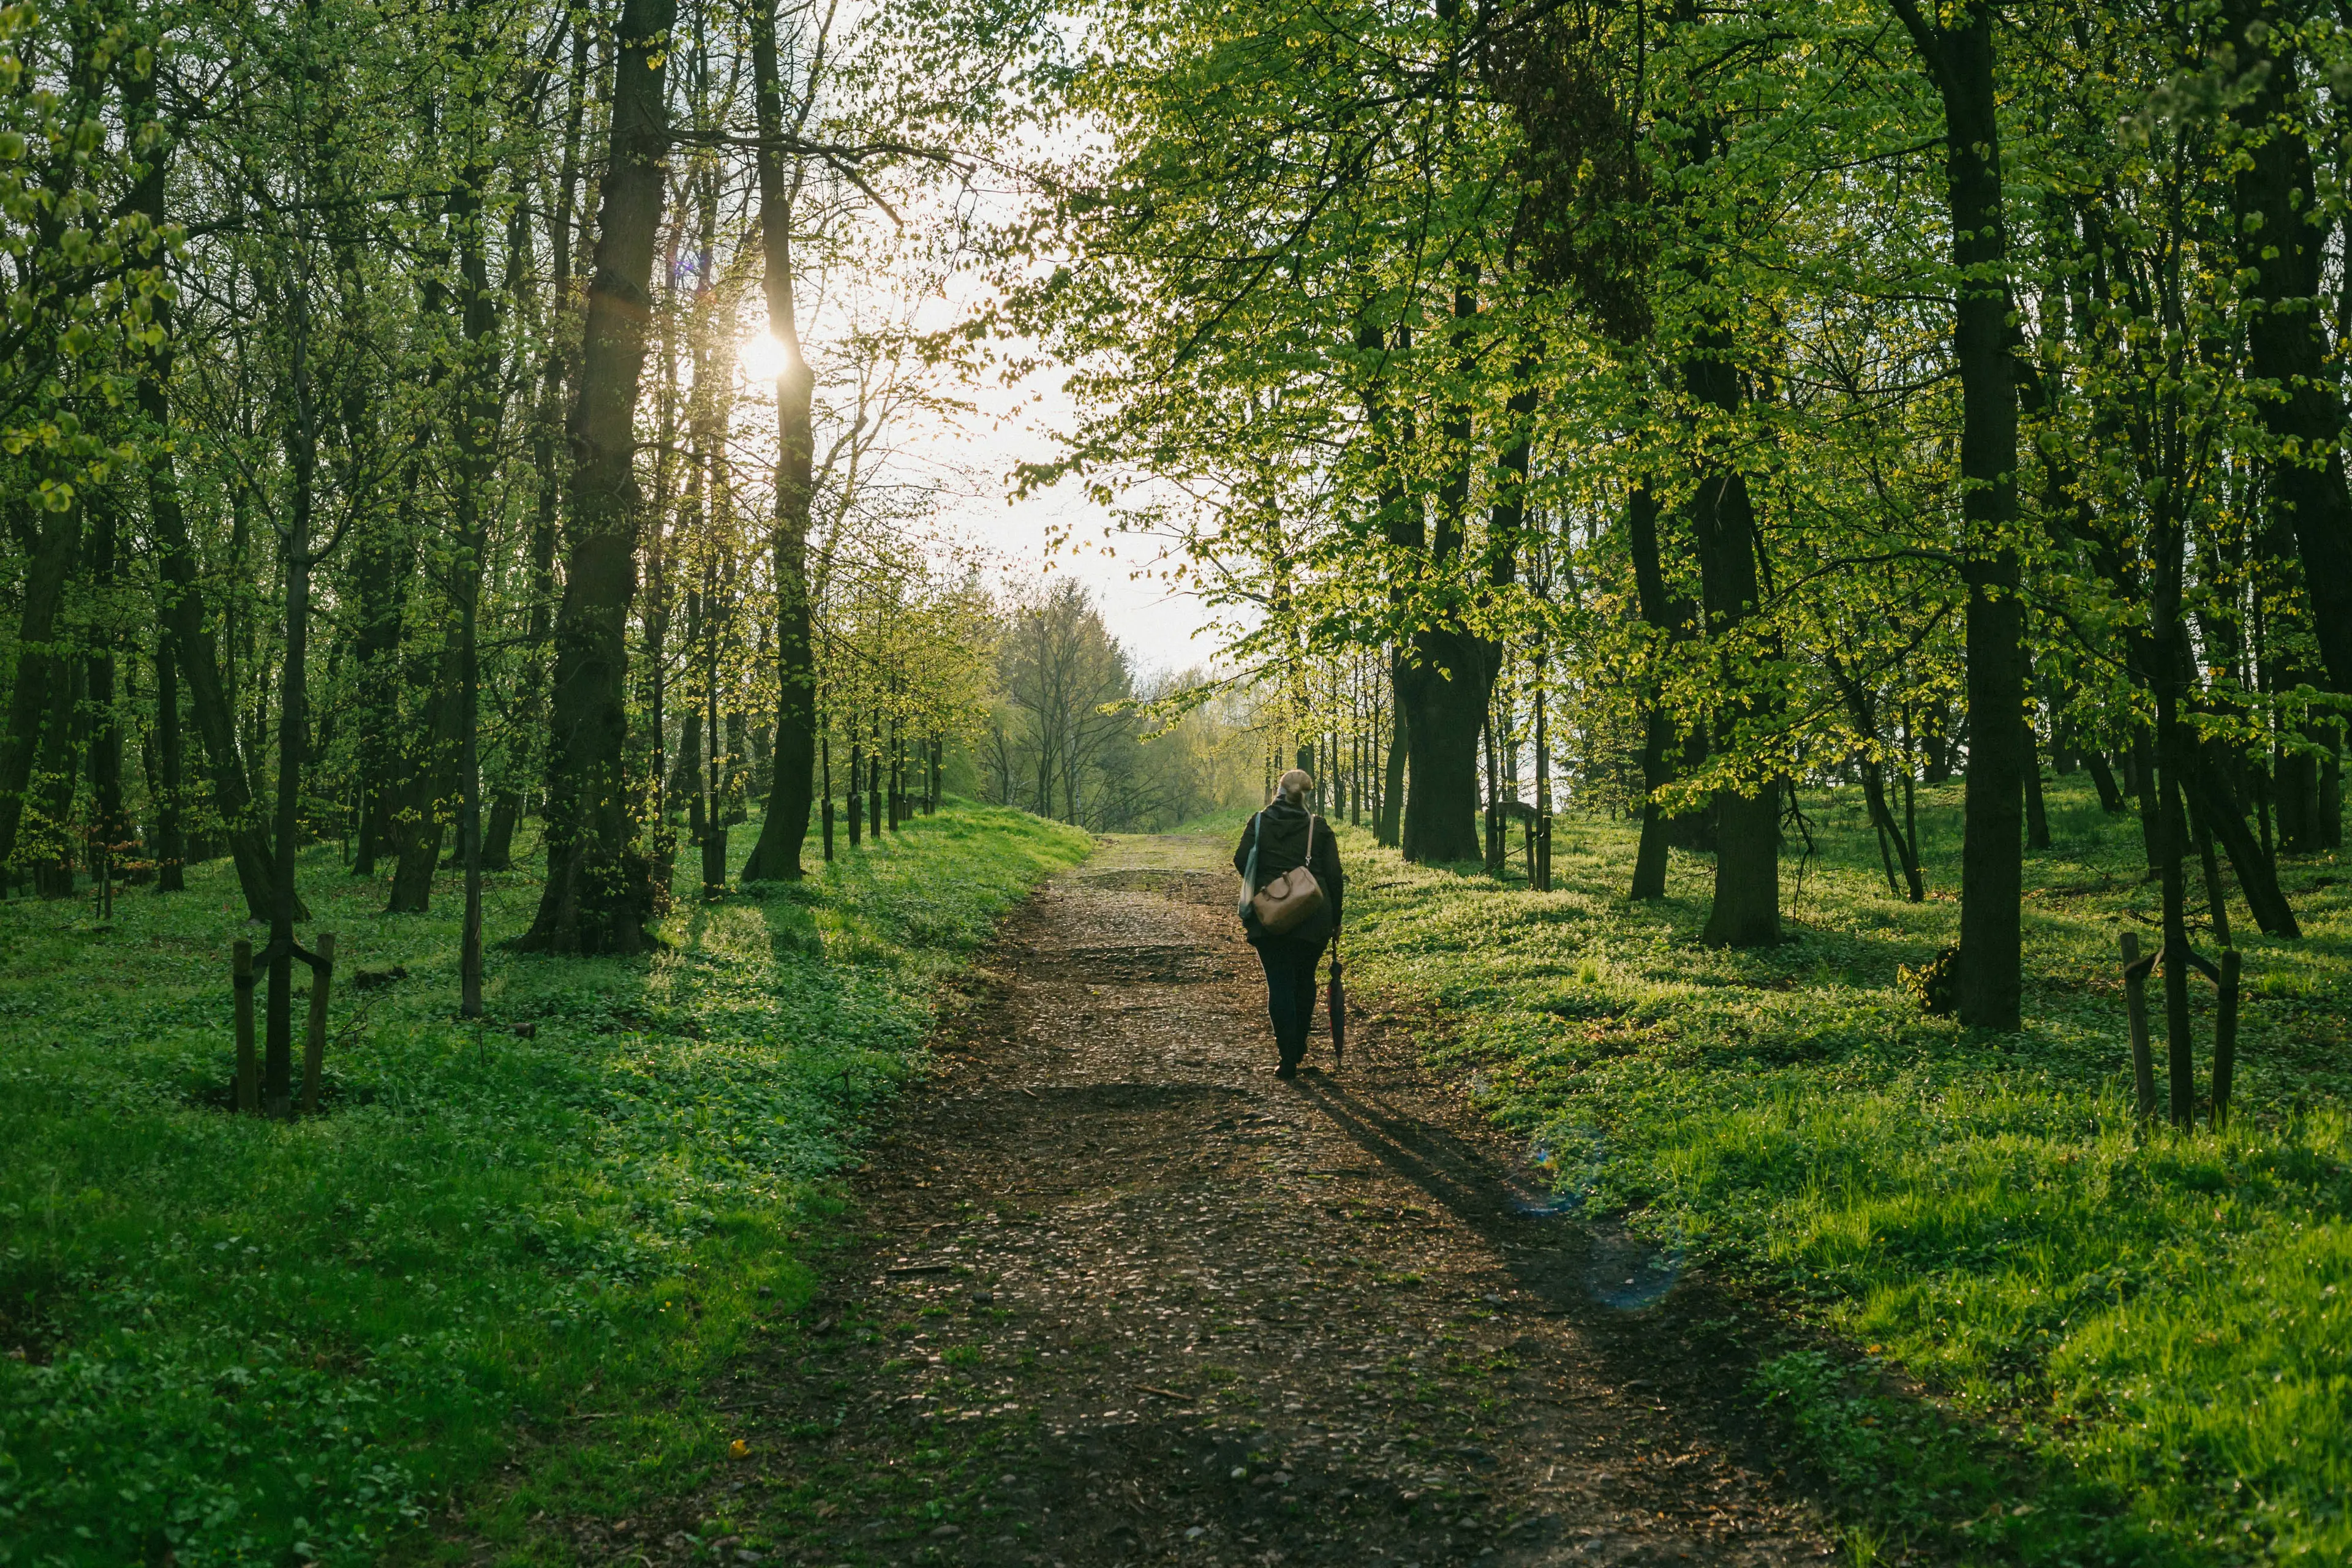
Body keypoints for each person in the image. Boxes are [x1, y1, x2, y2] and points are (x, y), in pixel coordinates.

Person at [1234, 769, 1344, 1078]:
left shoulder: (1258, 823)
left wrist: (1270, 883)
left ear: (1277, 791)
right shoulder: (1318, 827)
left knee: (1279, 982)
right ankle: (1297, 1047)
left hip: (1270, 915)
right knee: (1305, 979)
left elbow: (1241, 860)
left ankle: (1287, 1059)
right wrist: (1336, 920)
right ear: (1307, 796)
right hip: (1313, 915)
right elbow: (1335, 877)